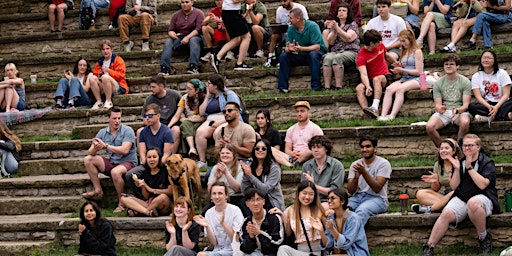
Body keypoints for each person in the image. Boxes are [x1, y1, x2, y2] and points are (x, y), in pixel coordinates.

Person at [421, 134, 500, 256]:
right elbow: (454, 187)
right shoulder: (459, 162)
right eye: (465, 146)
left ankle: (484, 238)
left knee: (473, 203)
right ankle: (429, 246)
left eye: (470, 146)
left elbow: (483, 185)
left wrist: (469, 168)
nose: (467, 148)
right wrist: (457, 170)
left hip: (483, 197)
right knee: (446, 213)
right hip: (463, 196)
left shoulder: (487, 162)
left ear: (478, 147)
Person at [82, 107, 138, 213]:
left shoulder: (127, 130)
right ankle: (98, 190)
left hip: (128, 162)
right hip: (113, 162)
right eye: (114, 118)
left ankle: (122, 203)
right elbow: (90, 152)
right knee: (88, 159)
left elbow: (125, 150)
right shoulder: (102, 132)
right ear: (108, 118)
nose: (117, 121)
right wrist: (95, 147)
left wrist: (106, 146)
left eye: (119, 118)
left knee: (115, 172)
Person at [125, 104, 174, 199]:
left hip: (162, 163)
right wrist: (146, 164)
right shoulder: (143, 132)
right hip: (148, 162)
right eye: (145, 116)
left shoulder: (167, 131)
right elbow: (142, 152)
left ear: (158, 116)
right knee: (130, 175)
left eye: (150, 116)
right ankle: (142, 198)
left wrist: (156, 164)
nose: (147, 118)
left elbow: (166, 154)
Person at [425, 53, 471, 148]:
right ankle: (442, 149)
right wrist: (440, 108)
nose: (448, 66)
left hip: (459, 110)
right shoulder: (438, 83)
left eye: (451, 64)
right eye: (446, 64)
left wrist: (458, 110)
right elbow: (437, 104)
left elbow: (466, 105)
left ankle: (458, 148)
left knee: (465, 122)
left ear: (457, 66)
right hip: (444, 111)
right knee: (429, 127)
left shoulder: (465, 81)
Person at [195, 74, 241, 168]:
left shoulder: (229, 94)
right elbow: (201, 112)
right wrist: (207, 97)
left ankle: (221, 161)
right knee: (200, 132)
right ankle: (202, 161)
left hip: (226, 119)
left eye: (209, 84)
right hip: (210, 119)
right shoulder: (210, 97)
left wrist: (220, 122)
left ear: (215, 85)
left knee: (217, 133)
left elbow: (235, 111)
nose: (207, 86)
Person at [277, 8, 327, 93]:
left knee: (313, 55)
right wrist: (289, 49)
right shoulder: (291, 29)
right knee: (284, 57)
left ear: (298, 18)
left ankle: (316, 87)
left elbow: (317, 47)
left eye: (291, 18)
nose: (289, 20)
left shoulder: (312, 26)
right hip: (300, 54)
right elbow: (286, 46)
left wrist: (301, 48)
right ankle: (282, 87)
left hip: (316, 54)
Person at [378, 29, 424, 121]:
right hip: (405, 77)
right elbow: (404, 71)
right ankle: (383, 115)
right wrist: (399, 68)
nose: (402, 43)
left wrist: (402, 69)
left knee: (400, 89)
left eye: (404, 41)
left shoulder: (417, 52)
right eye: (401, 41)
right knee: (388, 89)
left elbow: (419, 72)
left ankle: (392, 115)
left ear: (410, 39)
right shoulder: (404, 51)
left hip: (418, 79)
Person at [271, 180, 325, 256]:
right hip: (299, 252)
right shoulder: (291, 210)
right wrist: (283, 216)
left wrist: (321, 230)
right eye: (304, 193)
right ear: (298, 193)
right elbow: (288, 233)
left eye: (311, 194)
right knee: (283, 249)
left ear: (314, 196)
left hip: (315, 252)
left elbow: (327, 242)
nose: (307, 197)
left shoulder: (319, 210)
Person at [347, 135, 392, 225]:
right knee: (341, 209)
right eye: (362, 147)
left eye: (368, 146)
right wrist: (356, 177)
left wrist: (364, 172)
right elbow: (351, 191)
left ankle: (350, 238)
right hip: (358, 197)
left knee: (361, 211)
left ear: (375, 149)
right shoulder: (355, 164)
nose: (364, 149)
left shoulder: (383, 164)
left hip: (378, 199)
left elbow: (377, 188)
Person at [412, 138, 461, 214]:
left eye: (447, 148)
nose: (443, 151)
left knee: (454, 192)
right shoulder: (438, 165)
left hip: (460, 196)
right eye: (441, 149)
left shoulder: (460, 164)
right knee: (420, 193)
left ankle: (431, 208)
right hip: (445, 197)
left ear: (454, 151)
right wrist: (435, 181)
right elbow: (436, 189)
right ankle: (445, 206)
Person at [194, 181, 244, 256]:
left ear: (226, 195)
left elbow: (237, 239)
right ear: (211, 196)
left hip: (234, 251)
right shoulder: (209, 213)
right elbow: (214, 243)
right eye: (214, 193)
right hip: (218, 250)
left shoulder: (235, 210)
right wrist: (207, 226)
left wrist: (223, 224)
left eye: (220, 193)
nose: (217, 197)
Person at [120, 147, 172, 217]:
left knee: (162, 197)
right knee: (123, 199)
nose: (152, 159)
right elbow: (146, 196)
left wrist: (152, 190)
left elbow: (170, 191)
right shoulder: (145, 173)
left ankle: (139, 212)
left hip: (163, 203)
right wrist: (143, 186)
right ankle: (147, 212)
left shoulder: (165, 171)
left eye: (154, 157)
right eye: (149, 157)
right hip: (149, 203)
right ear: (146, 159)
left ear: (159, 158)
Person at [159, 0, 204, 75]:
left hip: (195, 37)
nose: (184, 4)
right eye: (182, 2)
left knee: (193, 40)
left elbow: (198, 29)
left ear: (192, 2)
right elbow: (170, 30)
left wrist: (188, 37)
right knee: (168, 41)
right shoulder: (176, 15)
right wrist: (172, 34)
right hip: (180, 37)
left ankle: (194, 67)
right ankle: (165, 68)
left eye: (187, 2)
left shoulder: (198, 13)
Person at [322, 2, 360, 90]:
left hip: (350, 51)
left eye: (343, 10)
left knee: (337, 58)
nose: (341, 12)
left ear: (348, 13)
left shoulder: (352, 25)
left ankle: (338, 86)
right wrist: (334, 30)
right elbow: (330, 42)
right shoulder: (336, 25)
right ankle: (327, 87)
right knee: (327, 58)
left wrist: (338, 29)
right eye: (339, 10)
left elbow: (348, 38)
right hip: (336, 50)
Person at [139, 74, 181, 152]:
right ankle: (144, 159)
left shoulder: (175, 95)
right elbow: (144, 117)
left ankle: (171, 157)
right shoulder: (149, 99)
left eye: (153, 87)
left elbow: (179, 113)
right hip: (154, 124)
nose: (151, 89)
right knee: (139, 131)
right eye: (151, 87)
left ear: (161, 86)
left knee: (176, 130)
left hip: (171, 123)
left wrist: (167, 127)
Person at [322, 188, 370, 256]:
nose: (329, 201)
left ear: (342, 201)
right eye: (328, 198)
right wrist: (321, 230)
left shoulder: (353, 218)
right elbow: (329, 245)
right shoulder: (331, 218)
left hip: (355, 252)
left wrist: (332, 229)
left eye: (333, 198)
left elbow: (346, 243)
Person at [355, 29, 392, 119]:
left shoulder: (381, 46)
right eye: (378, 42)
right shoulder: (361, 56)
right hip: (370, 78)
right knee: (359, 88)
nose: (380, 43)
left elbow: (386, 56)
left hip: (384, 76)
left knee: (377, 79)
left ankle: (375, 107)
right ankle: (367, 111)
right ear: (371, 43)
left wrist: (396, 62)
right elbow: (363, 74)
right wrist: (367, 86)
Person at [241, 139, 285, 212]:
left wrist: (250, 175)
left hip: (270, 202)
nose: (260, 150)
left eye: (263, 148)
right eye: (257, 148)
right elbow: (244, 191)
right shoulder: (251, 166)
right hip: (254, 200)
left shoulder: (274, 168)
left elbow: (265, 190)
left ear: (268, 151)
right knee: (243, 201)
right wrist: (245, 175)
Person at [209, 0, 254, 73]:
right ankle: (240, 63)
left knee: (237, 39)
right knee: (247, 36)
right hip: (231, 13)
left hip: (229, 13)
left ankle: (217, 57)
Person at [468, 50, 512, 122]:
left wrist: (496, 107)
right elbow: (478, 97)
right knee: (471, 106)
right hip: (486, 105)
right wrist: (489, 107)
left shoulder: (502, 73)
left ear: (494, 60)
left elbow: (506, 95)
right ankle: (503, 116)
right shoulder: (476, 76)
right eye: (484, 58)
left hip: (501, 103)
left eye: (489, 58)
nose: (486, 60)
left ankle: (489, 118)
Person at [301, 135, 345, 209]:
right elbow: (302, 189)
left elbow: (334, 191)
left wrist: (313, 185)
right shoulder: (307, 165)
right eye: (313, 147)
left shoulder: (336, 166)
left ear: (326, 149)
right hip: (309, 199)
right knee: (287, 213)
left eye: (319, 147)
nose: (316, 150)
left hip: (329, 200)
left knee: (320, 209)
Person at [239, 188, 284, 256]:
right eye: (252, 200)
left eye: (258, 199)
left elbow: (277, 244)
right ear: (247, 204)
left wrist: (260, 233)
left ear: (263, 201)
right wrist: (251, 237)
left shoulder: (274, 218)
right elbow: (245, 249)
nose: (255, 203)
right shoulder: (246, 222)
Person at [264, 0, 309, 67]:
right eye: (281, 1)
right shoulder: (279, 10)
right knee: (274, 36)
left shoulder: (300, 8)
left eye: (285, 1)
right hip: (284, 33)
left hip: (296, 32)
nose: (282, 3)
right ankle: (270, 58)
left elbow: (305, 24)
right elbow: (279, 24)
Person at [168, 78, 207, 155]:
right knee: (185, 125)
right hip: (188, 122)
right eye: (187, 88)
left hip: (199, 121)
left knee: (186, 125)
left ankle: (190, 150)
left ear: (196, 90)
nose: (187, 91)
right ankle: (192, 148)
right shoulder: (184, 98)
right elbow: (177, 115)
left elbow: (204, 117)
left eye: (190, 89)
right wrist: (168, 127)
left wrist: (190, 119)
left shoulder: (204, 98)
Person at [90, 40, 128, 110]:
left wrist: (109, 71)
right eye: (103, 49)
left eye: (107, 49)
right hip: (103, 86)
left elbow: (121, 75)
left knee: (105, 77)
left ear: (111, 49)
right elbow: (95, 74)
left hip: (117, 86)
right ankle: (99, 101)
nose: (105, 51)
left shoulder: (118, 60)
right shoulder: (99, 62)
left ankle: (108, 101)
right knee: (92, 78)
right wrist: (99, 76)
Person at [283, 101, 324, 165]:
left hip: (310, 156)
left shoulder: (315, 129)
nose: (299, 114)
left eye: (302, 111)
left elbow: (319, 147)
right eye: (297, 111)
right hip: (294, 156)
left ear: (309, 112)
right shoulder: (291, 129)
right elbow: (287, 149)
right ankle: (296, 162)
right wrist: (292, 153)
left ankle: (298, 162)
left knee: (312, 148)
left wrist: (303, 154)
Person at [207, 144, 244, 211]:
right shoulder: (215, 168)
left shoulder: (240, 168)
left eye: (228, 153)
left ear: (234, 155)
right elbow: (209, 190)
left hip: (234, 198)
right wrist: (216, 178)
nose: (224, 155)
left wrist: (226, 173)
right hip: (218, 198)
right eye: (222, 153)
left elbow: (237, 189)